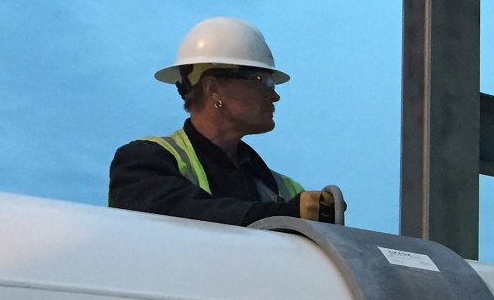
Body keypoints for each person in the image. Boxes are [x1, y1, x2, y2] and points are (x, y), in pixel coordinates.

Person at [109, 17, 340, 226]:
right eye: (263, 82)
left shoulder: (288, 192)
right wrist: (284, 216)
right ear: (213, 87)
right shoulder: (142, 163)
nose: (274, 95)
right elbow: (182, 214)